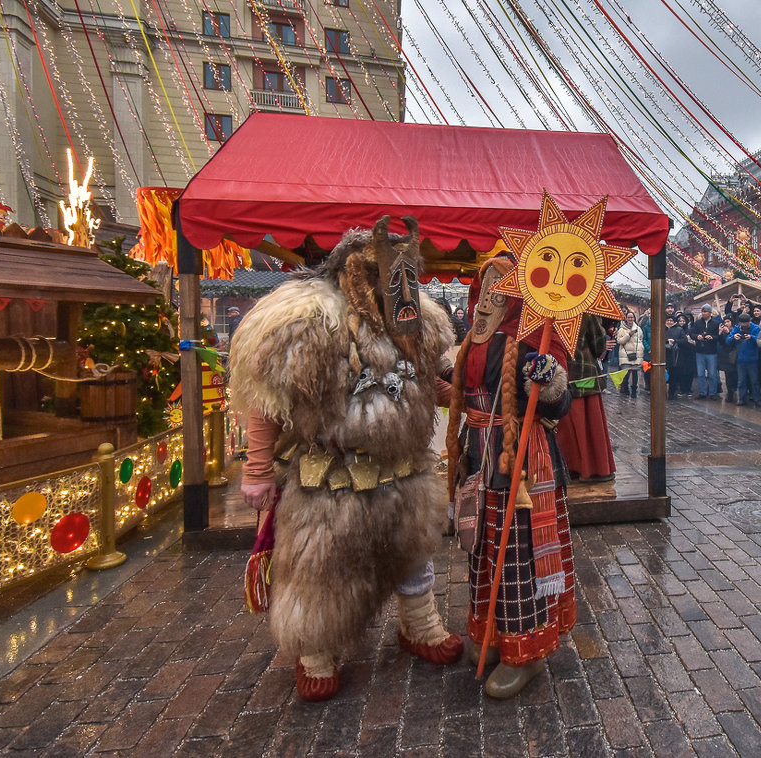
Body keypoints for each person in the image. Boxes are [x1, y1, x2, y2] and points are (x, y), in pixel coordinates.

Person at [233, 218, 463, 702]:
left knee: (412, 553)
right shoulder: (308, 319)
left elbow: (428, 381)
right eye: (387, 273)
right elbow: (269, 403)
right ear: (358, 271)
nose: (399, 284)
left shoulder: (419, 319)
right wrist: (256, 470)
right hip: (331, 477)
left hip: (405, 469)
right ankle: (315, 649)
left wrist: (472, 398)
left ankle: (418, 624)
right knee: (323, 565)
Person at [445, 256, 575, 699]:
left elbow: (558, 404)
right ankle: (494, 638)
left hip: (522, 462)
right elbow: (458, 385)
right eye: (484, 293)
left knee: (519, 554)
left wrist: (551, 378)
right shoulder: (471, 341)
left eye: (500, 294)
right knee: (483, 550)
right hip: (480, 455)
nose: (487, 302)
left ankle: (528, 654)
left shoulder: (536, 338)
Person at [557, 315, 616, 483]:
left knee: (566, 423)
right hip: (584, 372)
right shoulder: (585, 311)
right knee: (591, 423)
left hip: (560, 372)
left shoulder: (547, 307)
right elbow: (598, 346)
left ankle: (571, 467)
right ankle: (596, 469)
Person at [729, 312, 761, 406]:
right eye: (741, 324)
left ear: (749, 322)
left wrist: (751, 337)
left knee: (754, 381)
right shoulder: (736, 328)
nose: (743, 326)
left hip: (752, 359)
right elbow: (728, 340)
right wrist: (733, 337)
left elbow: (760, 341)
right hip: (740, 359)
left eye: (745, 324)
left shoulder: (756, 328)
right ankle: (741, 399)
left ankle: (758, 399)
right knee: (741, 381)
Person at [691, 303, 722, 398]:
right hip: (700, 351)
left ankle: (712, 393)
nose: (703, 313)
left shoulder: (715, 323)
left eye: (705, 312)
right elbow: (692, 333)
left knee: (712, 374)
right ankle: (702, 392)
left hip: (711, 352)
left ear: (710, 313)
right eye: (702, 311)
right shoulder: (698, 323)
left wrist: (712, 337)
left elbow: (719, 337)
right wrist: (697, 336)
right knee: (700, 374)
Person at [616, 310, 644, 398]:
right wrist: (628, 335)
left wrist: (640, 348)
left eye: (632, 317)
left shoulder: (638, 329)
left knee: (635, 373)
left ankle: (634, 390)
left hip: (636, 354)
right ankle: (626, 389)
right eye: (629, 317)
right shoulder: (621, 329)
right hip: (625, 354)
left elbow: (640, 339)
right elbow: (620, 341)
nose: (630, 319)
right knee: (626, 373)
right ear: (626, 318)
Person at [673, 312, 697, 398]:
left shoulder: (690, 330)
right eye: (680, 321)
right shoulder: (676, 330)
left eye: (683, 321)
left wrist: (691, 342)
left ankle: (688, 389)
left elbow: (693, 340)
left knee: (690, 372)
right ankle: (682, 389)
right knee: (681, 372)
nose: (682, 322)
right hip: (680, 353)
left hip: (689, 353)